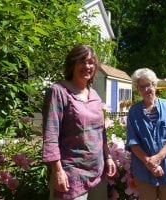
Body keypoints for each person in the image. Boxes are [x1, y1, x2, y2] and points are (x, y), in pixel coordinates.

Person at [42, 44, 116, 200]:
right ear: (72, 64)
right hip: (70, 174)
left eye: (91, 62)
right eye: (82, 61)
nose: (87, 66)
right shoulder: (58, 91)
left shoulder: (94, 94)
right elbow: (50, 135)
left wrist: (108, 157)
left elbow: (100, 131)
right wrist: (57, 171)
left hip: (97, 172)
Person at [126, 68, 166, 200]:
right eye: (142, 86)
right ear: (138, 89)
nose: (147, 89)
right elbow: (132, 141)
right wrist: (149, 162)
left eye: (149, 85)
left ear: (155, 85)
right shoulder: (134, 112)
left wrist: (157, 158)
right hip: (143, 169)